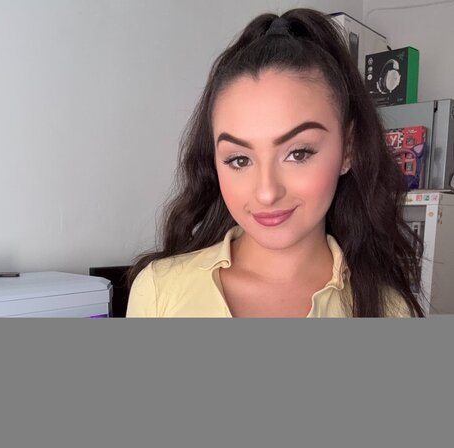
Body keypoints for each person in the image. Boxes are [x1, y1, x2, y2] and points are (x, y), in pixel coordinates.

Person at [126, 8, 424, 318]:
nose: (267, 192)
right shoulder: (159, 291)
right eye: (239, 159)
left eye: (298, 153)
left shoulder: (389, 310)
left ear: (348, 148)